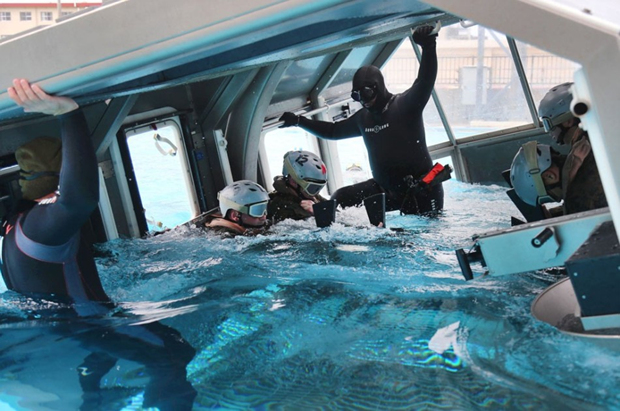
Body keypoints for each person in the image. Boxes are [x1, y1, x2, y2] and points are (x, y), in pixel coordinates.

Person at [1, 79, 196, 410]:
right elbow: (79, 199)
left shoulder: (15, 229)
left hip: (65, 331)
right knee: (174, 351)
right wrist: (69, 115)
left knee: (101, 380)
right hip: (88, 324)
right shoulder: (41, 227)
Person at [278, 25, 442, 216]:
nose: (363, 101)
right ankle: (324, 219)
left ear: (378, 87)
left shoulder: (405, 106)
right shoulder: (363, 119)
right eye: (357, 96)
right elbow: (333, 131)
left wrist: (428, 45)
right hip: (386, 190)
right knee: (341, 198)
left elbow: (425, 81)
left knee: (421, 228)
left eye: (366, 93)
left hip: (422, 190)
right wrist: (299, 121)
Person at [510, 82, 607, 214]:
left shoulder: (585, 155)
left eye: (548, 124)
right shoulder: (595, 139)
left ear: (568, 121)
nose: (549, 132)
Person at [268, 150, 329, 223]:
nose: (316, 193)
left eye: (319, 188)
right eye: (312, 188)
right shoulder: (281, 205)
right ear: (293, 181)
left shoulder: (307, 194)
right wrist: (317, 212)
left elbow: (335, 213)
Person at [196, 179, 270, 236]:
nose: (263, 216)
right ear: (235, 215)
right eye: (257, 210)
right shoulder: (224, 237)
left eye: (264, 208)